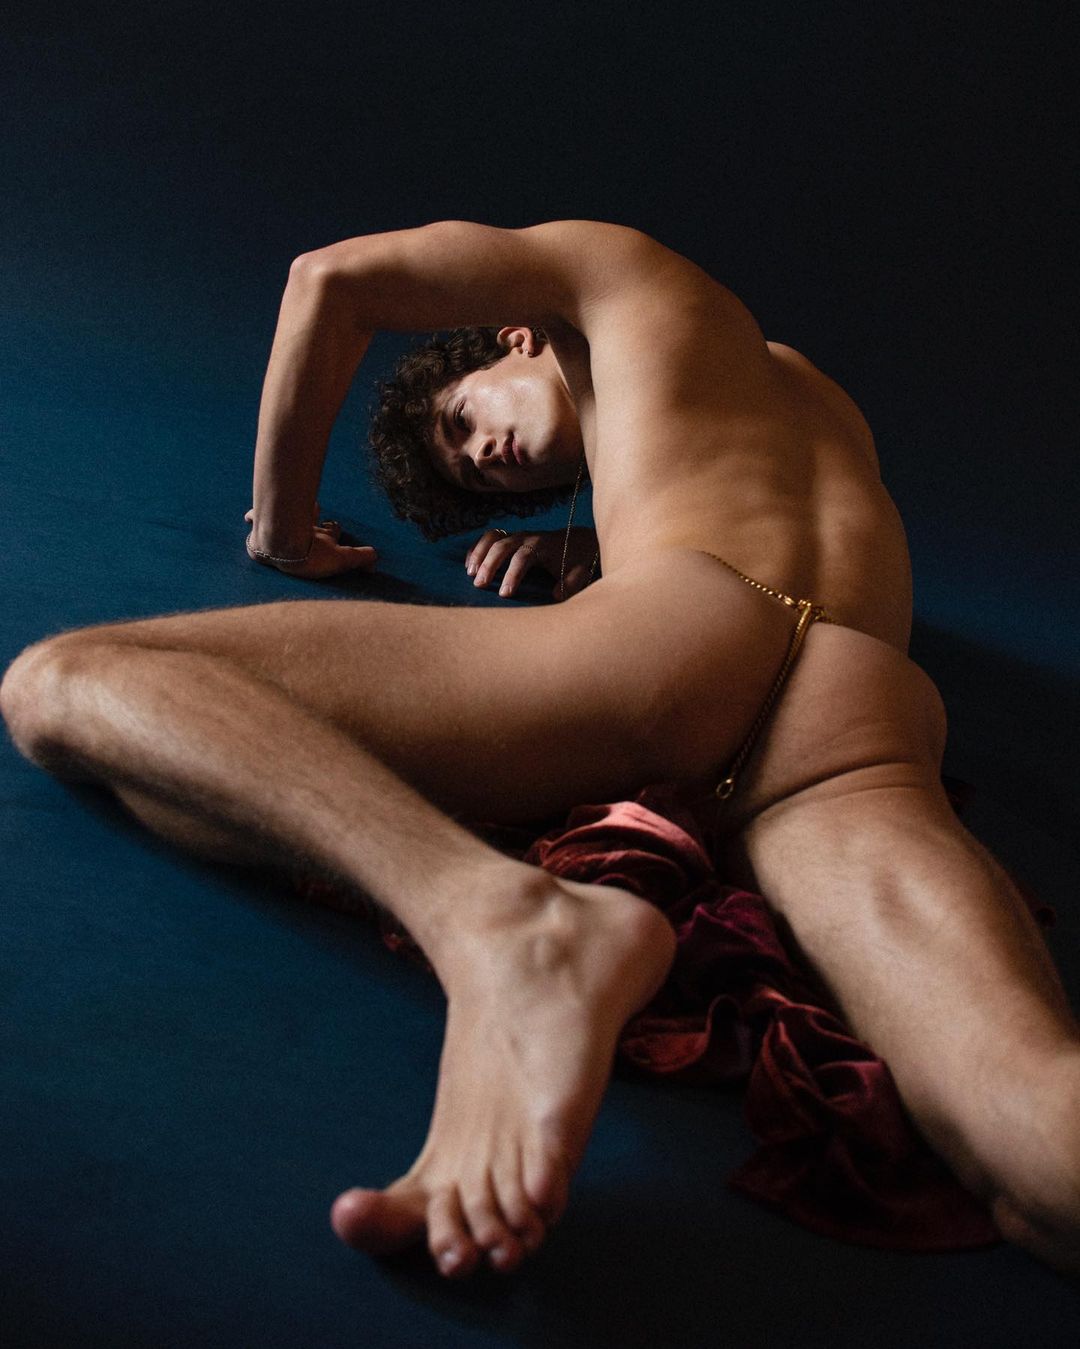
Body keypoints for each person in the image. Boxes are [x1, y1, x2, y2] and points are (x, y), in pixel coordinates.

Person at [2, 220, 1078, 1280]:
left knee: (69, 681)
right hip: (864, 696)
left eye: (463, 417)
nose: (484, 455)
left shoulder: (610, 266)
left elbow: (328, 277)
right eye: (483, 477)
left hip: (678, 637)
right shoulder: (820, 406)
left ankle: (495, 917)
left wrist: (283, 531)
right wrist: (602, 546)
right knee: (1032, 1127)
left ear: (514, 334)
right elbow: (760, 528)